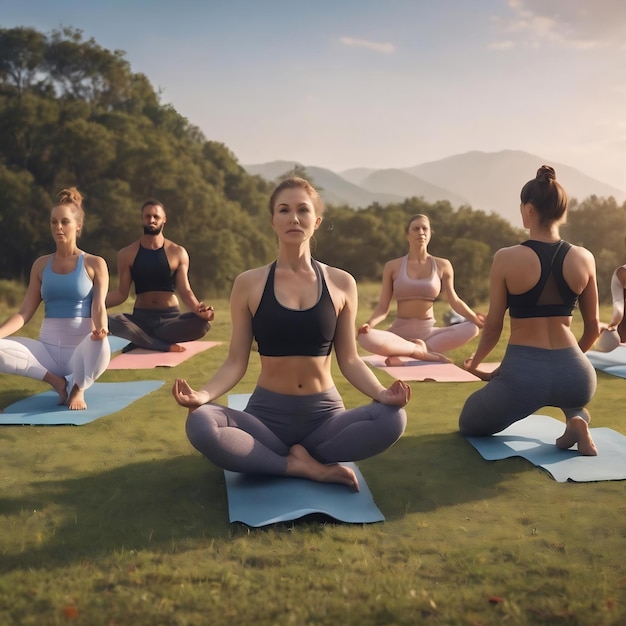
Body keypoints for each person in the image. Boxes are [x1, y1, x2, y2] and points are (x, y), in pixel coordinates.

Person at [172, 177, 409, 490]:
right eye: (284, 210)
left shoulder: (341, 283)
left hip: (325, 418)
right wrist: (202, 396)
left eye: (303, 210)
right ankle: (301, 467)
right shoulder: (249, 283)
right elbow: (235, 361)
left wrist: (381, 393)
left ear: (316, 221)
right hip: (267, 418)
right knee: (201, 423)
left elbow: (349, 359)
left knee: (393, 418)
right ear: (273, 221)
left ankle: (277, 459)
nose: (293, 218)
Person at [459, 166, 600, 456]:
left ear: (529, 209)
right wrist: (566, 364)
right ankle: (576, 418)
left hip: (524, 375)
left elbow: (494, 327)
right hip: (577, 376)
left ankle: (575, 417)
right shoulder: (584, 258)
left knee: (469, 421)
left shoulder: (506, 258)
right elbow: (593, 328)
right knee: (572, 399)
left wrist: (476, 363)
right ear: (562, 211)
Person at [0, 188, 110, 410]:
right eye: (53, 222)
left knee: (103, 347)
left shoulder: (94, 263)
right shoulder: (41, 265)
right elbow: (24, 314)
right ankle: (57, 382)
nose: (58, 227)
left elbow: (98, 305)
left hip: (80, 350)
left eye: (64, 222)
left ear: (77, 226)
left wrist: (101, 329)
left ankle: (78, 389)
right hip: (47, 351)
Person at [357, 213, 484, 365]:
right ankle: (418, 351)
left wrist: (475, 319)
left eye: (425, 229)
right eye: (416, 229)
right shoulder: (392, 266)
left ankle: (412, 352)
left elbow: (454, 300)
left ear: (430, 233)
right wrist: (369, 324)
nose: (421, 232)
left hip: (429, 333)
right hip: (398, 333)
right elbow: (383, 307)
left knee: (472, 328)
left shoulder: (443, 265)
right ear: (407, 234)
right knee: (364, 337)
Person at [106, 199, 214, 352]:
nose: (151, 220)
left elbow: (185, 291)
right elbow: (121, 294)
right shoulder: (126, 254)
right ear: (142, 219)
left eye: (156, 217)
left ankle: (142, 340)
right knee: (107, 320)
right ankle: (160, 344)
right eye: (147, 216)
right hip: (140, 319)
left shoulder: (178, 252)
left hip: (169, 320)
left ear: (164, 219)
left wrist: (199, 310)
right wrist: (91, 306)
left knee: (202, 324)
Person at [597, 264, 626, 350]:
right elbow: (619, 308)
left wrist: (611, 326)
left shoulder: (621, 272)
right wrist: (611, 326)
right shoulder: (621, 273)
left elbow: (619, 308)